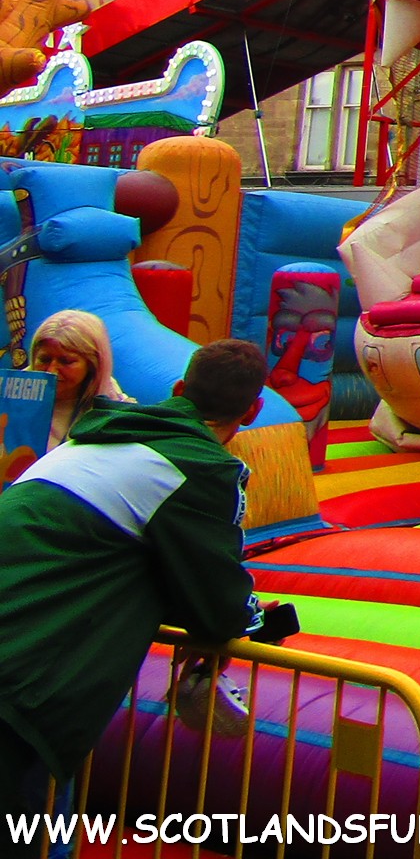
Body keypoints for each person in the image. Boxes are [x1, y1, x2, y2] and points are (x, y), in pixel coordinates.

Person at [0, 339, 289, 848]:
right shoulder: (198, 467)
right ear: (253, 410)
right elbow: (221, 604)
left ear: (178, 389)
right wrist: (245, 618)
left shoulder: (91, 437)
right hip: (23, 683)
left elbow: (111, 554)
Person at [28, 310, 129, 451]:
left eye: (66, 361)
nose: (51, 370)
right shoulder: (10, 392)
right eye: (44, 359)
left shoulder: (110, 395)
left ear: (92, 364)